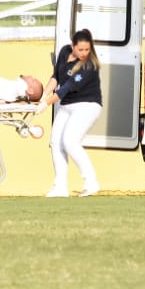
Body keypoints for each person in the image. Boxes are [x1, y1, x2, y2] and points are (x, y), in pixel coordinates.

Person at [42, 28, 101, 197]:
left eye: (87, 50)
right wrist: (44, 95)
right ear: (72, 46)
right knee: (55, 142)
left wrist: (45, 104)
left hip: (87, 105)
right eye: (80, 49)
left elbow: (66, 88)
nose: (84, 53)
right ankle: (60, 186)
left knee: (70, 141)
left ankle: (91, 182)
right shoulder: (64, 52)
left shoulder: (89, 65)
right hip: (67, 105)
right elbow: (56, 78)